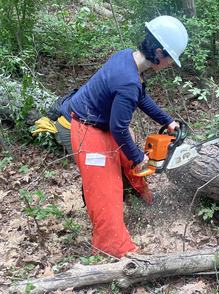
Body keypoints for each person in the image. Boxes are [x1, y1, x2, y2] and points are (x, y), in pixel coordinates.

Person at [40, 15, 188, 258]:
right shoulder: (128, 81)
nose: (171, 63)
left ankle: (141, 198)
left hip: (100, 122)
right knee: (106, 189)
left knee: (129, 160)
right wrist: (139, 156)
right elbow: (119, 128)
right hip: (83, 127)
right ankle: (113, 247)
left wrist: (167, 121)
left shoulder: (126, 58)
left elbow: (139, 97)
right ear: (159, 53)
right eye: (171, 58)